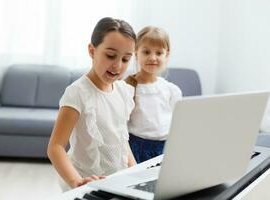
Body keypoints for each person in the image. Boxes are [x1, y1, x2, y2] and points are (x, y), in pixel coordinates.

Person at [47, 17, 137, 191]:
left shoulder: (123, 91)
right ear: (91, 50)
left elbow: (121, 140)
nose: (117, 65)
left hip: (116, 182)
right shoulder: (78, 92)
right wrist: (77, 182)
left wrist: (134, 171)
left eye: (126, 59)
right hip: (85, 182)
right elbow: (55, 147)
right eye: (110, 55)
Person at [125, 26, 182, 163]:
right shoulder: (127, 87)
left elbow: (178, 124)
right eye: (146, 52)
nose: (152, 58)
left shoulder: (171, 90)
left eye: (159, 53)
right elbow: (121, 127)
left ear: (166, 55)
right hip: (136, 150)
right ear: (136, 53)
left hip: (165, 150)